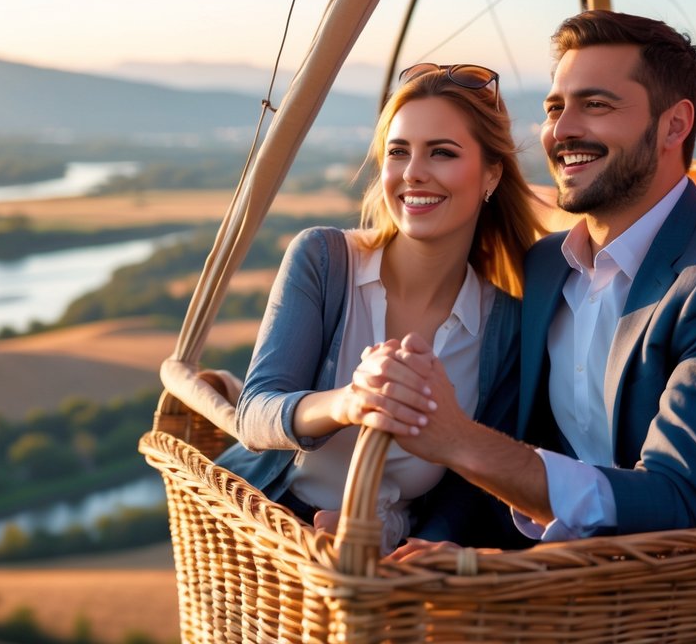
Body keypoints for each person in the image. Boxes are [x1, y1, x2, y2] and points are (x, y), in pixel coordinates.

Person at [369, 10, 696, 558]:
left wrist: (455, 441)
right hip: (564, 582)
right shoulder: (545, 267)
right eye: (554, 108)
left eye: (596, 105)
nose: (562, 131)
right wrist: (409, 544)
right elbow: (520, 454)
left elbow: (680, 503)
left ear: (674, 125)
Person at [217, 62, 543, 553]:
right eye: (398, 152)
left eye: (442, 153)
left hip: (386, 564)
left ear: (491, 175)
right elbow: (255, 414)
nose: (413, 172)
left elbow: (466, 487)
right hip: (269, 538)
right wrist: (349, 401)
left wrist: (417, 549)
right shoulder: (325, 260)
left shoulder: (506, 328)